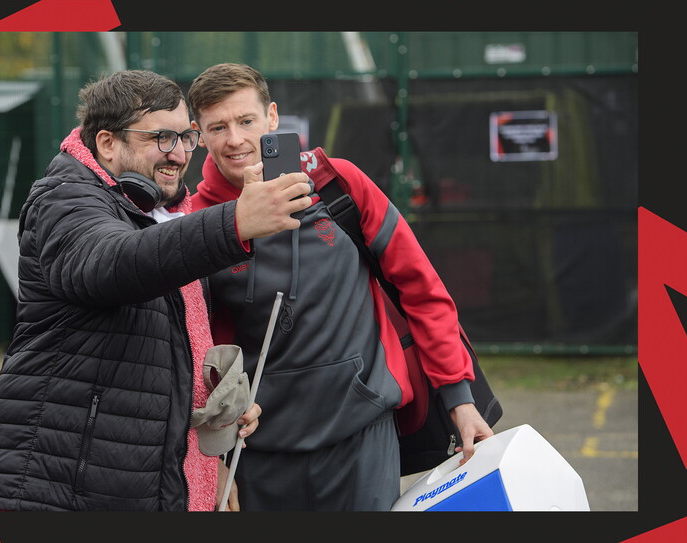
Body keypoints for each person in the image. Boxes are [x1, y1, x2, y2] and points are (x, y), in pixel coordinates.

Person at [0, 69, 313, 512]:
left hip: (136, 485)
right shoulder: (63, 198)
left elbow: (166, 353)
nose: (179, 154)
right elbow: (113, 263)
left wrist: (216, 418)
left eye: (185, 138)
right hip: (56, 488)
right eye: (161, 139)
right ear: (107, 143)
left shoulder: (165, 213)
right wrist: (235, 223)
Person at [188, 63, 494, 511]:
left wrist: (459, 399)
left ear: (272, 118)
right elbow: (200, 350)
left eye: (246, 121)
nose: (234, 139)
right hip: (258, 447)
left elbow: (422, 289)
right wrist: (214, 459)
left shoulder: (338, 183)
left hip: (362, 431)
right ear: (199, 135)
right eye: (218, 127)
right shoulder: (196, 221)